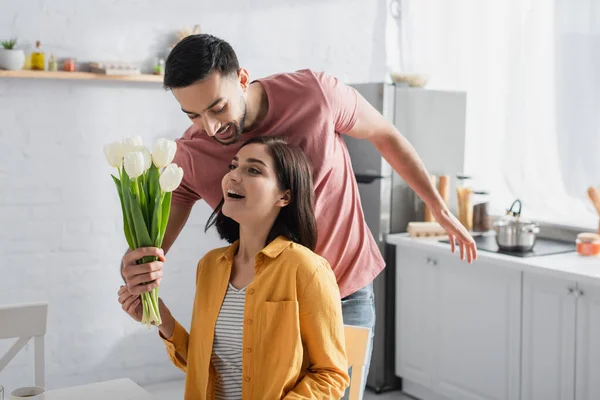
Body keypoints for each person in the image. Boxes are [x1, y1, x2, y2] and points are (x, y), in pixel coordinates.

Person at [120, 34, 477, 397]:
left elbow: (384, 134)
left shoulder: (314, 95)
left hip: (343, 290)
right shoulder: (193, 153)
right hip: (267, 303)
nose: (211, 127)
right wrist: (138, 271)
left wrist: (440, 208)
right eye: (193, 115)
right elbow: (154, 250)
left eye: (217, 108)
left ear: (242, 79)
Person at [119, 136, 349, 399]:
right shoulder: (210, 266)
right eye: (232, 167)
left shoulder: (307, 269)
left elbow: (331, 374)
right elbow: (205, 364)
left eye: (253, 170)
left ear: (284, 196)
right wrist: (160, 317)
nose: (233, 176)